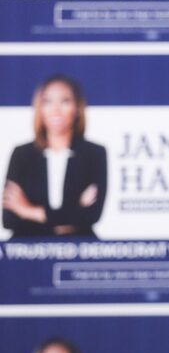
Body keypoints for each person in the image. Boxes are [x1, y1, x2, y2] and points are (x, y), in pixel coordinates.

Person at [3, 75, 107, 238]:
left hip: (77, 247)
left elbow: (91, 216)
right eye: (47, 101)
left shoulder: (94, 154)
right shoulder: (22, 155)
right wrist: (73, 211)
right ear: (39, 108)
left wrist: (29, 211)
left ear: (78, 108)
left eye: (65, 101)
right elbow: (9, 220)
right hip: (29, 247)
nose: (56, 109)